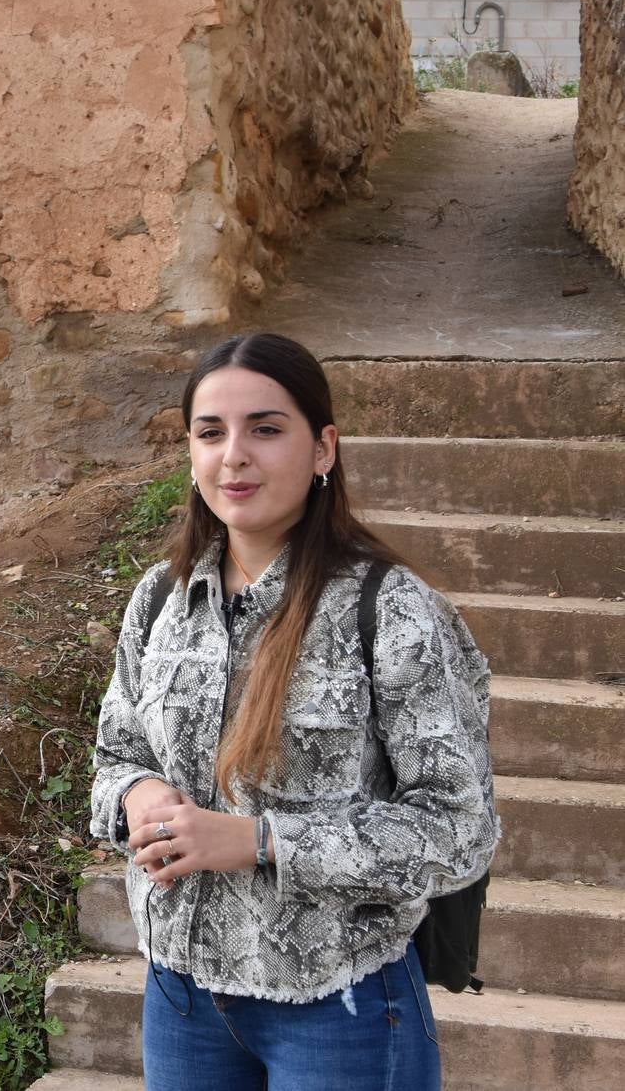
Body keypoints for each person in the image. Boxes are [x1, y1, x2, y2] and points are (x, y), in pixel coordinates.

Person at [90, 332, 496, 1091]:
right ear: (189, 454)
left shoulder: (392, 612)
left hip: (336, 1005)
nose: (233, 455)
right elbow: (115, 754)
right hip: (181, 998)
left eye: (265, 429)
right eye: (210, 433)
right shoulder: (160, 601)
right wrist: (137, 795)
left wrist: (257, 841)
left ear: (322, 449)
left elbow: (456, 829)